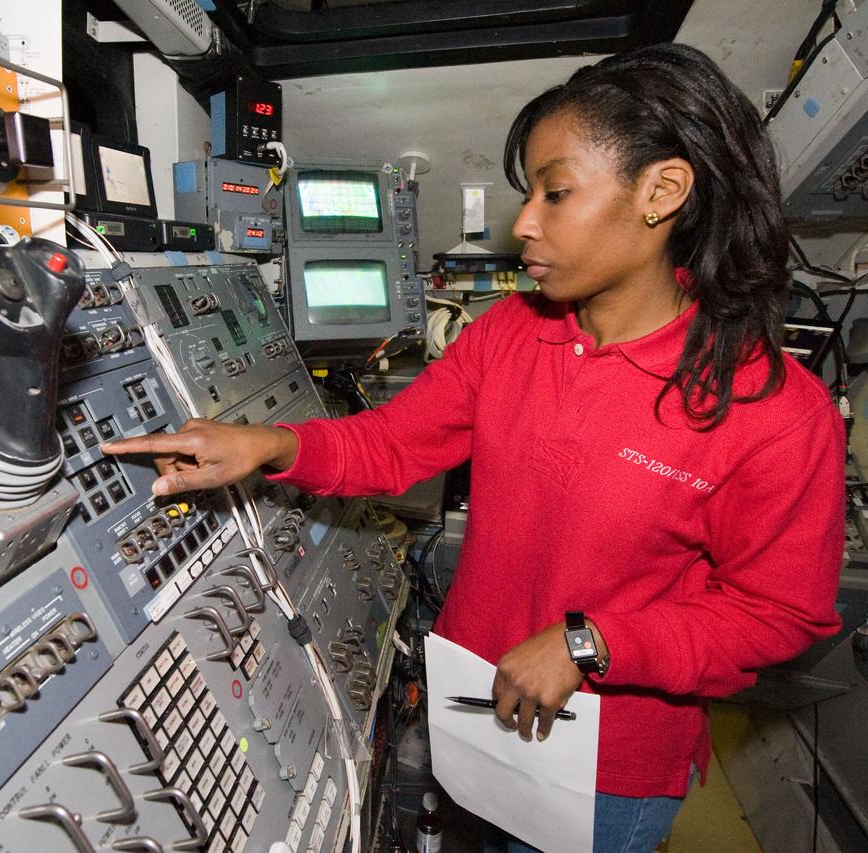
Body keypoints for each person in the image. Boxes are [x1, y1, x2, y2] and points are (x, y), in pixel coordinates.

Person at [102, 42, 845, 852]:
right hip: (475, 708)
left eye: (555, 193)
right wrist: (270, 442)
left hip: (602, 770)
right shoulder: (509, 336)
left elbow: (777, 615)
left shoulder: (770, 407)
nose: (523, 222)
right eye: (529, 193)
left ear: (662, 191)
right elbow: (392, 444)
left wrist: (591, 642)